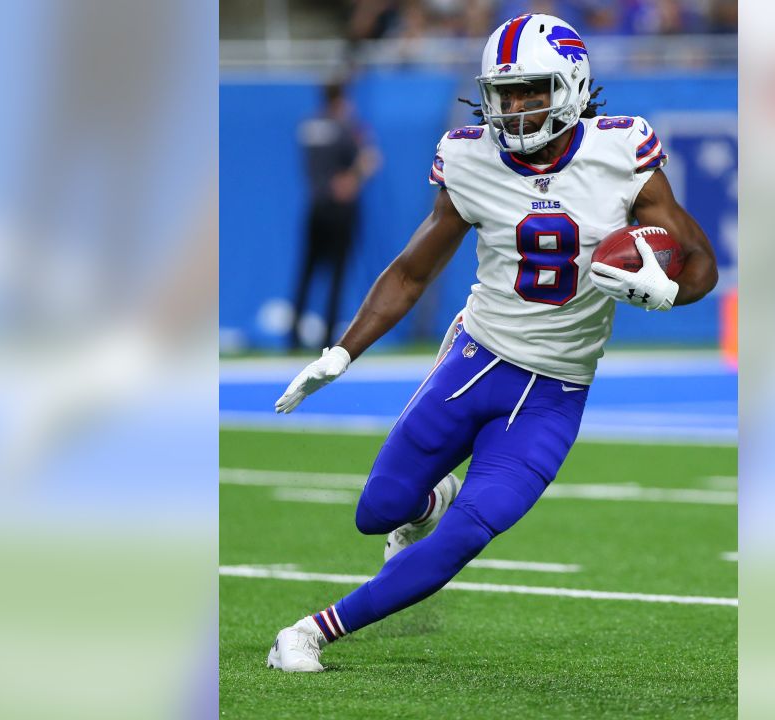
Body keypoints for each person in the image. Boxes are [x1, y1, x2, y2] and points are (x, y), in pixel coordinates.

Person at [267, 13, 717, 672]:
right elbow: (412, 270)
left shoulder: (621, 152)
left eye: (531, 91)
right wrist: (340, 353)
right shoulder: (471, 156)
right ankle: (427, 499)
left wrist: (671, 289)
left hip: (553, 394)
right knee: (378, 512)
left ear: (570, 85)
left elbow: (699, 259)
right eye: (504, 93)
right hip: (475, 360)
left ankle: (309, 633)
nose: (514, 108)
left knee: (468, 532)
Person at [290, 81, 380, 350]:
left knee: (307, 270)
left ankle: (293, 335)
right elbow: (370, 159)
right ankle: (328, 337)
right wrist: (352, 178)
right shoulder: (347, 127)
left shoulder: (308, 126)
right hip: (340, 209)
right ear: (342, 98)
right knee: (337, 273)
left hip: (316, 205)